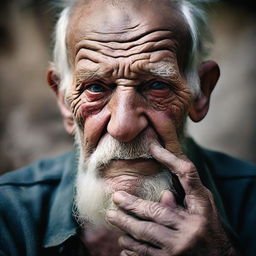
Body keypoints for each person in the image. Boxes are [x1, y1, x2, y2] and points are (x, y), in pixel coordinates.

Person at [0, 0, 255, 255]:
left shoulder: (250, 201)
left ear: (201, 92)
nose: (123, 127)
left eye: (156, 85)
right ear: (64, 100)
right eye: (96, 88)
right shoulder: (8, 212)